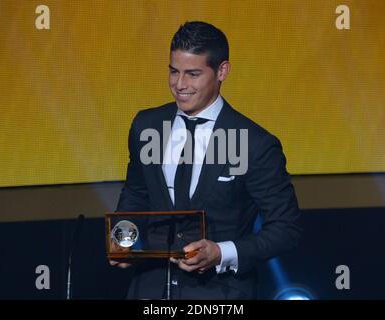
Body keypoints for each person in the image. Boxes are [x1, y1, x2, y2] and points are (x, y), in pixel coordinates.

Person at [110, 21, 301, 300]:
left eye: (193, 74)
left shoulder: (254, 142)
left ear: (222, 71)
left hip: (219, 293)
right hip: (148, 288)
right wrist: (124, 238)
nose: (179, 85)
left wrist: (222, 252)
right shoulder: (146, 125)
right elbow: (137, 193)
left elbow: (286, 228)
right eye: (174, 72)